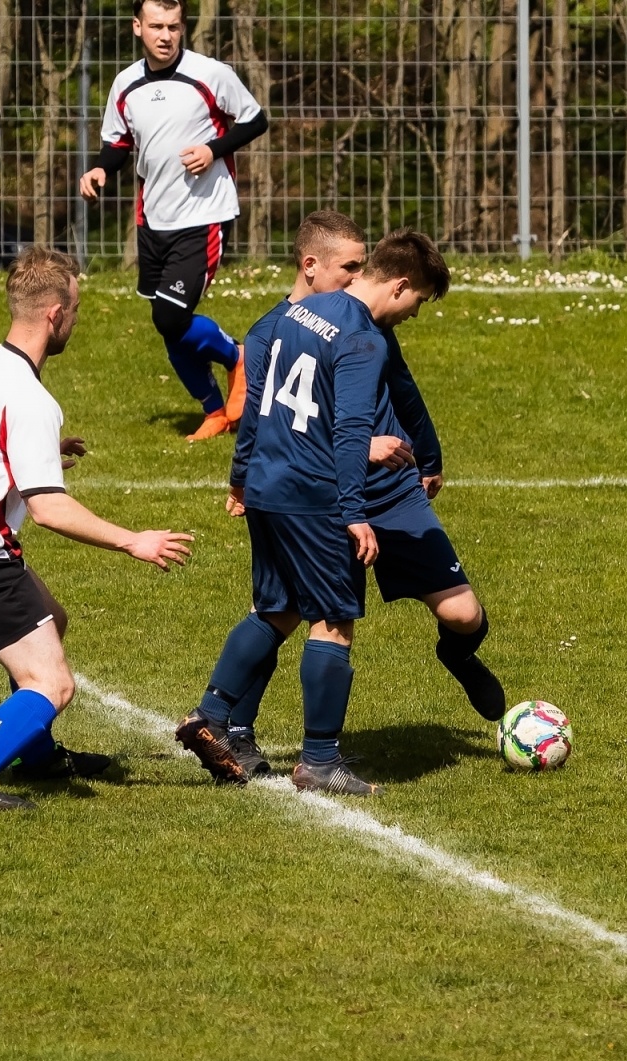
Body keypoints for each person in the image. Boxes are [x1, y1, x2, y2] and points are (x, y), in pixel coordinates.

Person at [180, 216, 504, 781]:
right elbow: (351, 426)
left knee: (277, 608)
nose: (415, 313)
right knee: (330, 620)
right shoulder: (354, 334)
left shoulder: (292, 320)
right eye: (419, 301)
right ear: (399, 286)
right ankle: (316, 758)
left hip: (286, 485)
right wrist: (352, 513)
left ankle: (212, 715)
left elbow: (256, 411)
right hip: (323, 490)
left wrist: (240, 477)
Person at [0, 247, 194, 812]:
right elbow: (50, 511)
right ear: (55, 315)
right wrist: (134, 540)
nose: (77, 321)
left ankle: (36, 757)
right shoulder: (31, 398)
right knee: (53, 684)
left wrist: (38, 452)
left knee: (52, 619)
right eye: (78, 310)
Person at [79, 0, 269, 442]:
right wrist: (101, 167)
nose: (165, 36)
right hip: (152, 220)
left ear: (182, 29)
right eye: (156, 27)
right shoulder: (125, 84)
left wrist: (214, 149)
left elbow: (255, 119)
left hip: (203, 216)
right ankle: (215, 412)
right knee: (168, 325)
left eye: (173, 27)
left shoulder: (210, 74)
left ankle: (238, 355)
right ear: (137, 27)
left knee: (169, 316)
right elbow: (119, 141)